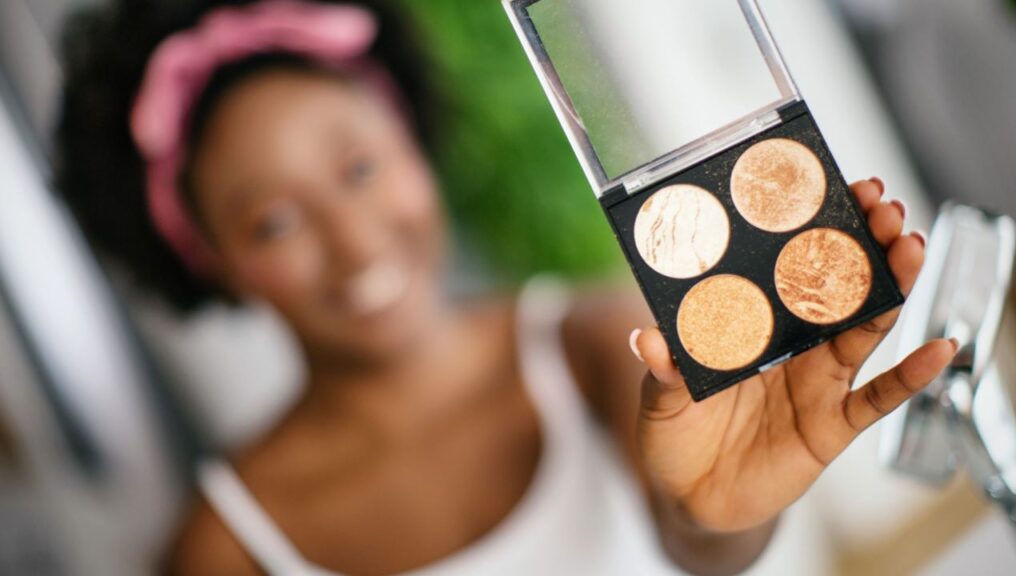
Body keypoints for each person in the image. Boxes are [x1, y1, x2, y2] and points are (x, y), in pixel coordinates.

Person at [55, 1, 957, 574]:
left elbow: (704, 540)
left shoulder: (602, 345)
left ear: (413, 140)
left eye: (360, 167)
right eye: (273, 223)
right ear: (207, 258)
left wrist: (714, 519)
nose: (352, 235)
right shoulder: (222, 547)